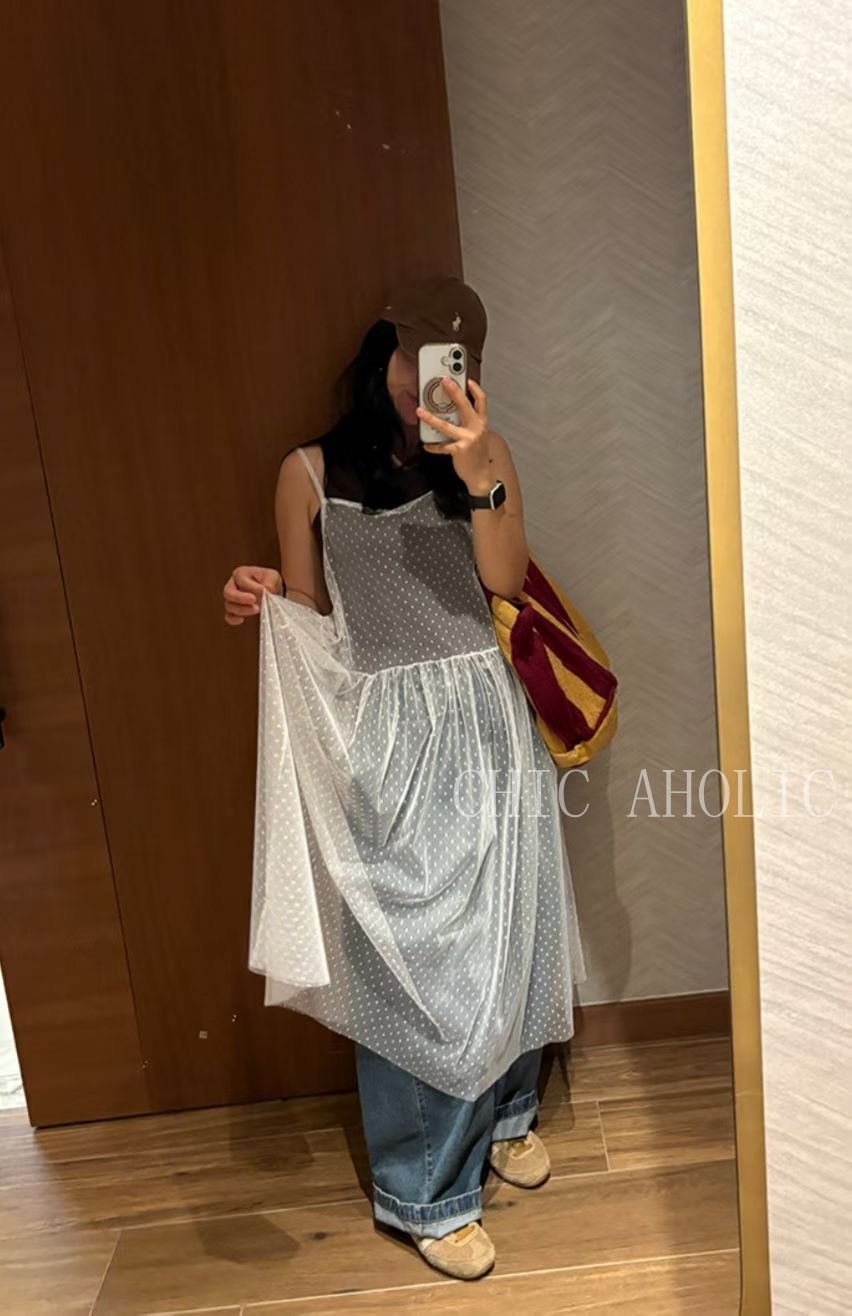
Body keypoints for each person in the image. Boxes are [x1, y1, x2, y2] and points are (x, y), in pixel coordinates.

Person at [223, 276, 586, 1281]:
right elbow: (311, 614)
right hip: (386, 734)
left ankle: (507, 1112)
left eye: (444, 359)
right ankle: (424, 1187)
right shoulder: (307, 471)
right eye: (407, 353)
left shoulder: (486, 454)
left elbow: (504, 583)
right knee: (410, 956)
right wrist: (259, 593)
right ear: (380, 351)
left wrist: (478, 467)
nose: (416, 378)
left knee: (510, 922)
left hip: (487, 718)